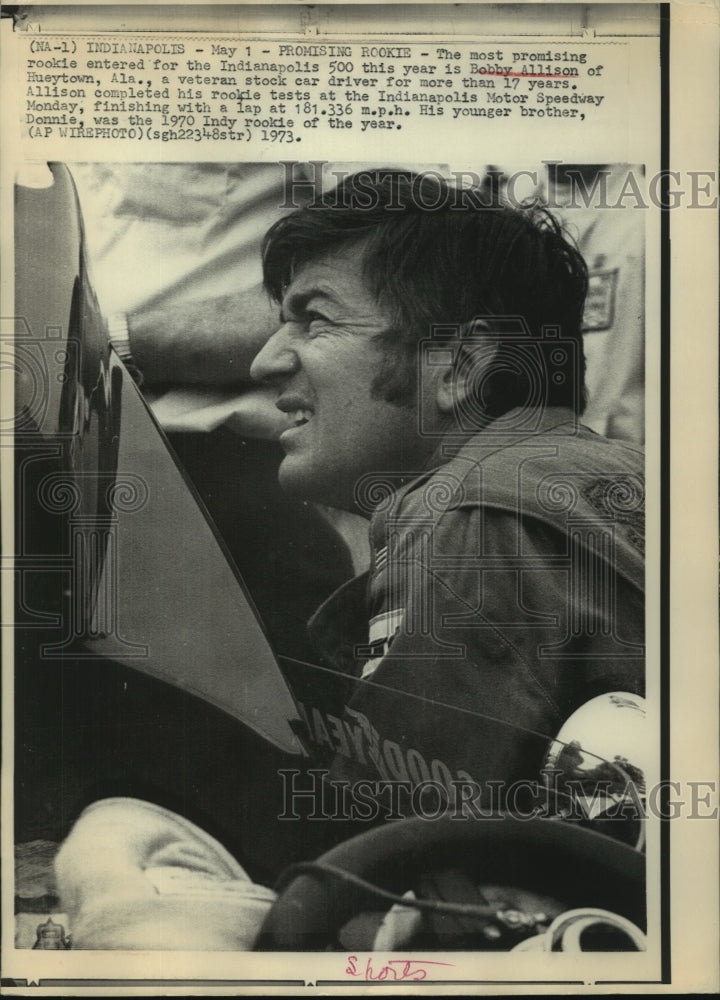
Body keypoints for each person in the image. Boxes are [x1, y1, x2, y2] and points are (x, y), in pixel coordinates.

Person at [55, 169, 645, 949]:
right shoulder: (586, 480)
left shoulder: (477, 510)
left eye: (315, 322)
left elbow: (370, 862)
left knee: (122, 844)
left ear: (461, 365)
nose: (267, 360)